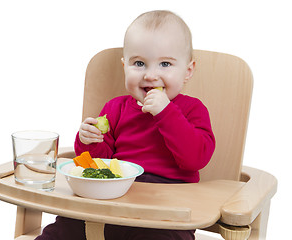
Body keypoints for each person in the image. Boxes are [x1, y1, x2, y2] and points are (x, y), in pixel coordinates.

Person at [36, 10, 215, 240]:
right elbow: (100, 164)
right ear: (125, 66)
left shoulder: (193, 110)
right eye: (139, 63)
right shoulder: (115, 109)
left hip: (166, 213)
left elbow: (195, 159)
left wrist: (166, 113)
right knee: (64, 226)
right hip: (112, 200)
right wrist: (88, 140)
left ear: (188, 71)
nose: (151, 75)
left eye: (165, 64)